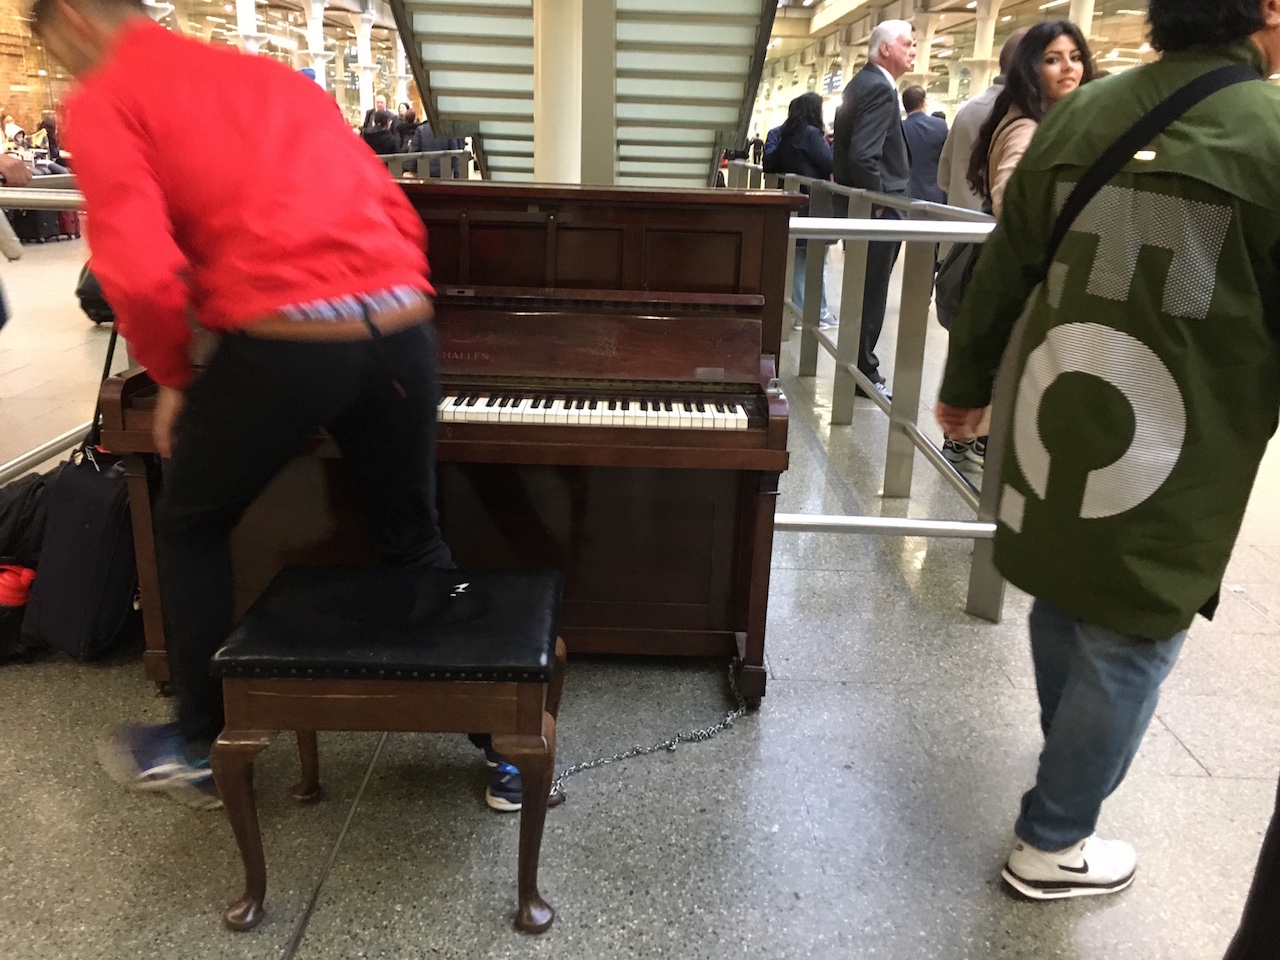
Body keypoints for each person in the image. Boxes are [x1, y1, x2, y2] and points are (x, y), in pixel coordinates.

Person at [30, 0, 525, 814]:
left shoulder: (107, 95)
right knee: (413, 536)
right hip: (401, 326)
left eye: (54, 47)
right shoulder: (272, 78)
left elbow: (141, 270)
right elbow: (393, 207)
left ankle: (198, 742)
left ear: (78, 18)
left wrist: (176, 378)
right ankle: (503, 748)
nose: (62, 67)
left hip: (286, 339)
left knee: (188, 521)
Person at [936, 0, 1280, 901]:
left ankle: (1064, 776)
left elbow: (1007, 262)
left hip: (1060, 410)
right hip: (1179, 434)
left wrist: (965, 383)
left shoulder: (1084, 113)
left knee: (1065, 589)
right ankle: (1052, 839)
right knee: (1134, 630)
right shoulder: (1270, 134)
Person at [941, 21, 1094, 473]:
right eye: (1052, 59)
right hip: (1015, 268)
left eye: (1074, 57)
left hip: (996, 261)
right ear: (1030, 68)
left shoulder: (1026, 114)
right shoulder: (1029, 125)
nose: (1068, 68)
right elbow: (1011, 195)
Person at [833, 19, 916, 403]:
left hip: (860, 207)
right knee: (871, 291)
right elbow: (865, 155)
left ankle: (855, 364)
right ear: (885, 48)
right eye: (908, 44)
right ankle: (864, 370)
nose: (913, 50)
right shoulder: (880, 89)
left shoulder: (860, 84)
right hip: (877, 210)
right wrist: (880, 202)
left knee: (861, 288)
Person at [763, 93, 835, 331]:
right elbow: (829, 163)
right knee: (815, 262)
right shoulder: (811, 134)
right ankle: (815, 313)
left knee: (799, 261)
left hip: (794, 203)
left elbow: (771, 164)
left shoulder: (785, 134)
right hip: (813, 205)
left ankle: (802, 309)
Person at [937, 28, 1029, 212]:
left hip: (954, 229)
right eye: (1051, 60)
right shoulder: (1025, 118)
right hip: (991, 233)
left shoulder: (967, 110)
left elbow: (944, 177)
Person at [902, 85, 948, 204]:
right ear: (923, 102)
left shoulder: (900, 128)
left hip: (907, 195)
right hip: (936, 195)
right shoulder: (940, 126)